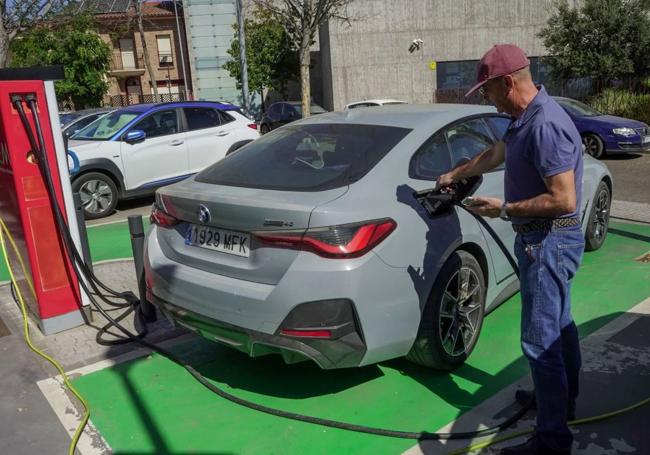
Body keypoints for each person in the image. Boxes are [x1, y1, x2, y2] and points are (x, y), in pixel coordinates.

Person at [437, 44, 584, 455]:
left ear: (508, 83)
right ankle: (560, 400)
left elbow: (564, 199)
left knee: (540, 341)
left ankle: (552, 440)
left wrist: (503, 209)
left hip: (549, 239)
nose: (487, 98)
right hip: (545, 239)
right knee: (561, 323)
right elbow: (495, 153)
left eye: (487, 90)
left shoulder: (545, 126)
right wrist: (455, 172)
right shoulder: (524, 118)